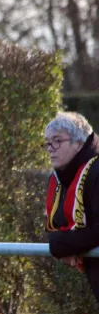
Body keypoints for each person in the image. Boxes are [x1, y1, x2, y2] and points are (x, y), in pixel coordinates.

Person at [44, 112, 99, 303]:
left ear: (78, 143)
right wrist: (65, 245)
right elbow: (54, 225)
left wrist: (64, 245)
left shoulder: (97, 171)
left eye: (57, 141)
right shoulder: (60, 178)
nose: (51, 148)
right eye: (48, 143)